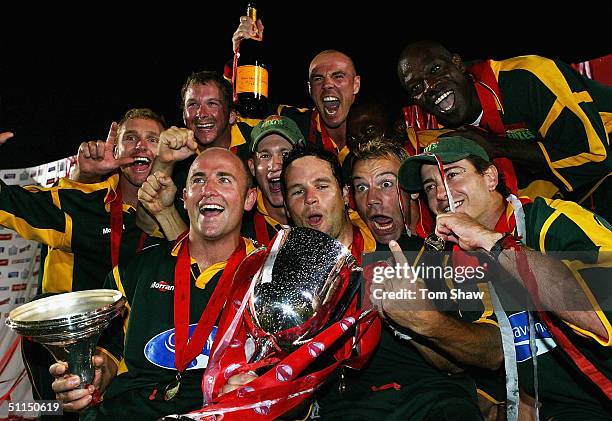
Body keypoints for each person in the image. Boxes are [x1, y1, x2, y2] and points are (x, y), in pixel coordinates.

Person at [397, 136, 612, 419]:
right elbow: (492, 351)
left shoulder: (549, 219)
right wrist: (417, 321)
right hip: (568, 407)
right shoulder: (458, 261)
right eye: (430, 186)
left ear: (490, 177)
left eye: (452, 175)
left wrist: (492, 243)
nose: (441, 194)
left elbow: (600, 309)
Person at [49, 148, 259, 420]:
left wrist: (262, 390)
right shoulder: (135, 270)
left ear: (249, 198)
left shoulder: (267, 274)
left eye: (224, 179)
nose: (208, 189)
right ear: (184, 198)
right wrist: (93, 378)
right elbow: (109, 353)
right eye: (197, 180)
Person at [0, 108, 164, 419]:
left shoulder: (183, 213)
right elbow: (10, 204)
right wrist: (84, 178)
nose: (141, 146)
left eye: (152, 139)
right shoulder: (82, 205)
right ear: (114, 149)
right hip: (68, 361)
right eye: (130, 138)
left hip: (141, 366)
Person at [396, 40, 612, 220]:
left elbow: (596, 156)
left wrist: (497, 147)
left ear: (458, 64)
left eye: (435, 70)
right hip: (577, 194)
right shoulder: (449, 131)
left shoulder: (528, 78)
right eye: (416, 87)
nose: (430, 87)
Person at [233, 17, 361, 163]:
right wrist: (241, 55)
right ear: (309, 88)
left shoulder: (377, 128)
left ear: (356, 84)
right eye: (318, 78)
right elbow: (236, 114)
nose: (327, 84)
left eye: (338, 76)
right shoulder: (289, 120)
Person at [241, 115, 305, 246]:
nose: (275, 165)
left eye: (285, 154)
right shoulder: (238, 222)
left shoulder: (324, 214)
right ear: (252, 168)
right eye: (265, 156)